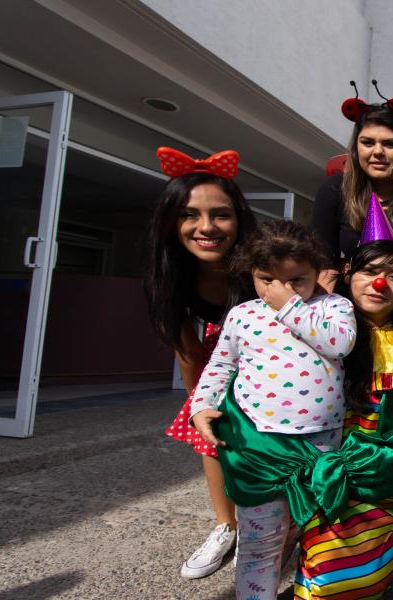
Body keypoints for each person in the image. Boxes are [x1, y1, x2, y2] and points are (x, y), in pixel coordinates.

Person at [201, 206, 393, 599]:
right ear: (348, 275)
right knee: (341, 579)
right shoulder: (319, 325)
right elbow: (242, 377)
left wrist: (390, 453)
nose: (379, 283)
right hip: (336, 460)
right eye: (369, 272)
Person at [188, 219, 357, 599]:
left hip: (320, 445)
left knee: (317, 532)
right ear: (251, 272)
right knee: (259, 540)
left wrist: (290, 307)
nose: (280, 290)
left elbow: (339, 343)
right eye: (266, 279)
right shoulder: (242, 314)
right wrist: (201, 405)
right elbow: (221, 365)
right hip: (259, 446)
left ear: (317, 272)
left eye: (297, 280)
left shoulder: (333, 306)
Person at [143, 147, 257, 579]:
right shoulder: (169, 270)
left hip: (273, 360)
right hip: (214, 353)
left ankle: (263, 524)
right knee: (209, 431)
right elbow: (187, 350)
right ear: (171, 222)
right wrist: (200, 405)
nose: (206, 227)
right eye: (190, 215)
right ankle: (226, 525)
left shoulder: (258, 263)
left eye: (220, 215)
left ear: (239, 220)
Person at [311, 84, 393, 264]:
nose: (378, 152)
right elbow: (321, 261)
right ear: (356, 148)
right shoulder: (335, 189)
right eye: (368, 143)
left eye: (390, 144)